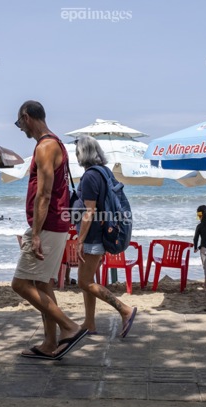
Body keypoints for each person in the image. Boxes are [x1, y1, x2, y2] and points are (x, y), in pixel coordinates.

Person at [11, 100, 88, 360]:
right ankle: (49, 343)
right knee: (42, 284)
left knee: (20, 284)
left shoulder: (45, 147)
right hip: (55, 224)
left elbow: (43, 194)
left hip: (47, 225)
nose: (20, 128)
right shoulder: (55, 144)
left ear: (26, 117)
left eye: (19, 123)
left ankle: (70, 327)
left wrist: (34, 234)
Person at [73, 135, 137, 337]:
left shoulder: (90, 176)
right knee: (87, 279)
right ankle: (89, 323)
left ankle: (124, 310)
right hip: (101, 234)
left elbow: (89, 211)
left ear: (83, 153)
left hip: (92, 237)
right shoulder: (104, 172)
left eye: (77, 152)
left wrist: (80, 240)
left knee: (84, 282)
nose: (76, 156)